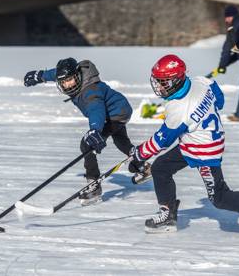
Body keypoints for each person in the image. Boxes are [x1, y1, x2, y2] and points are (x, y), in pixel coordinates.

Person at [128, 54, 239, 240]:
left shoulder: (178, 109)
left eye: (163, 82)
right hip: (197, 141)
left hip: (203, 151)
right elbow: (219, 100)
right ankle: (168, 215)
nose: (159, 87)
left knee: (219, 197)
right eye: (157, 81)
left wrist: (139, 155)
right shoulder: (202, 82)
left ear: (176, 80)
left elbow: (161, 140)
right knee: (161, 168)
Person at [24, 58, 151, 205]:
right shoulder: (76, 75)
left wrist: (95, 130)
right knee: (121, 140)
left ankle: (94, 185)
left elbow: (95, 111)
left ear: (77, 75)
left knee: (87, 145)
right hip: (119, 108)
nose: (67, 85)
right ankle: (142, 166)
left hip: (114, 115)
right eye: (63, 83)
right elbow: (57, 74)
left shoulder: (89, 92)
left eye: (70, 80)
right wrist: (40, 76)